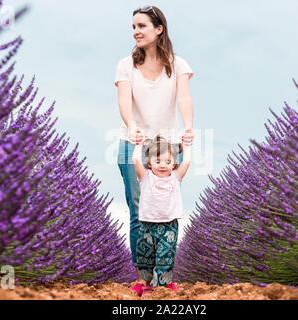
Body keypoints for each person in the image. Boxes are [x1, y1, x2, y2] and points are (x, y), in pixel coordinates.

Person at [114, 4, 195, 291]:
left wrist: (188, 126)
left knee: (164, 211)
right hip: (133, 144)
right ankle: (141, 279)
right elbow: (124, 100)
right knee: (139, 212)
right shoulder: (126, 65)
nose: (136, 31)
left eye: (142, 26)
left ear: (159, 29)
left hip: (168, 148)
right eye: (133, 27)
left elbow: (184, 98)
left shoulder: (179, 64)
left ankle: (164, 278)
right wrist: (132, 124)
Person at [130, 133, 191, 296]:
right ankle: (143, 283)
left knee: (166, 254)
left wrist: (186, 147)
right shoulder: (145, 177)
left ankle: (164, 283)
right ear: (149, 163)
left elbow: (186, 161)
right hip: (147, 224)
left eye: (168, 162)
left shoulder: (176, 177)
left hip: (169, 224)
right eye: (157, 161)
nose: (163, 165)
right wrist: (138, 145)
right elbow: (136, 161)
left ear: (174, 163)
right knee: (145, 255)